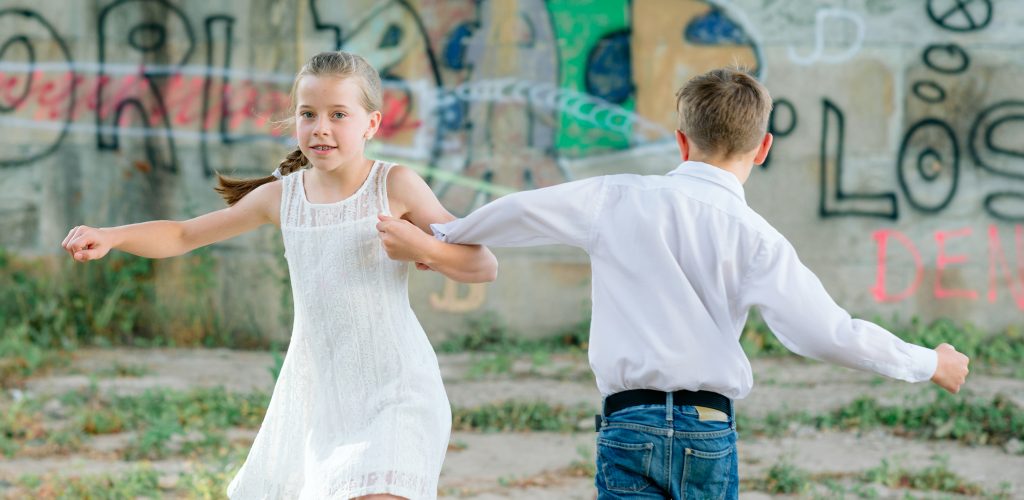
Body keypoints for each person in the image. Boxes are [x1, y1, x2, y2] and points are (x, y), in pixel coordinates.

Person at [379, 67, 970, 499]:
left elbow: (522, 211)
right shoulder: (758, 238)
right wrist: (927, 362)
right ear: (762, 148)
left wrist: (444, 234)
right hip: (708, 431)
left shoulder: (615, 196)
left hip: (627, 424)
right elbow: (826, 333)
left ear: (681, 141)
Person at [61, 50, 498, 499]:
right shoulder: (282, 198)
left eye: (339, 114)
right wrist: (111, 235)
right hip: (322, 396)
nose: (320, 127)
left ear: (371, 123)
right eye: (308, 114)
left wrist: (421, 247)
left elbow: (482, 264)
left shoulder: (394, 185)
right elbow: (181, 235)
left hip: (399, 389)